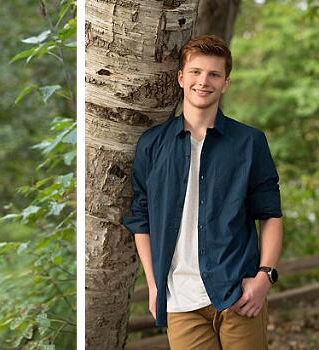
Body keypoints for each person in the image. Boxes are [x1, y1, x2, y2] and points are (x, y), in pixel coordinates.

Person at [122, 35, 283, 349]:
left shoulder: (249, 143)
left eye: (214, 74)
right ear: (181, 78)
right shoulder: (152, 145)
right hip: (180, 300)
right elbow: (140, 218)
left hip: (238, 292)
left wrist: (265, 277)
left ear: (225, 84)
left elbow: (271, 215)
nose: (203, 81)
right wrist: (155, 286)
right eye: (195, 72)